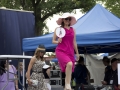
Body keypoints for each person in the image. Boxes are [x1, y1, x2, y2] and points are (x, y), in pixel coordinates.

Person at [52, 13, 79, 90]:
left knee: (70, 68)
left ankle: (67, 86)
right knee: (69, 64)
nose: (67, 20)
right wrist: (58, 41)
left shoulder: (73, 30)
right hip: (61, 50)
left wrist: (77, 53)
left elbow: (74, 42)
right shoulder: (58, 29)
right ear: (63, 20)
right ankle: (67, 84)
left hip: (70, 51)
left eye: (69, 19)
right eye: (66, 19)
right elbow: (53, 41)